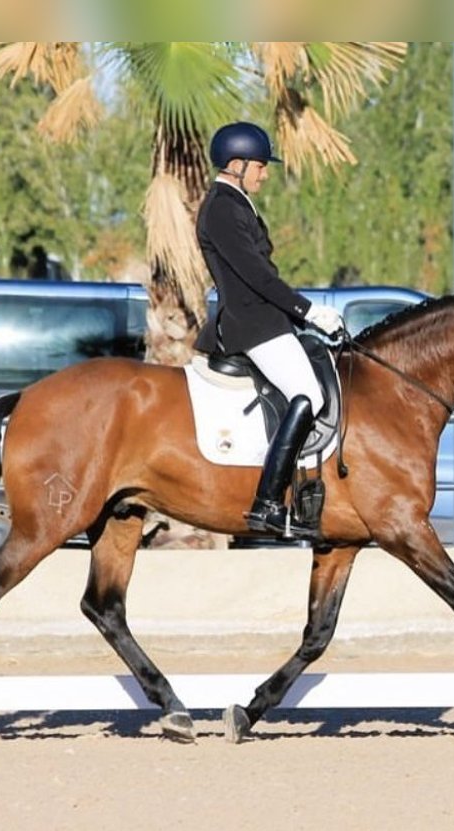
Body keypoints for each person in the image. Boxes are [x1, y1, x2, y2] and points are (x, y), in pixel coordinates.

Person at [194, 121, 344, 540]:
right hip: (251, 324)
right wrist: (309, 310)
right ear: (237, 164)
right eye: (260, 166)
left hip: (266, 320)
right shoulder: (223, 207)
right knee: (310, 394)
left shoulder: (237, 203)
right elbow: (257, 276)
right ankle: (267, 503)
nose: (266, 173)